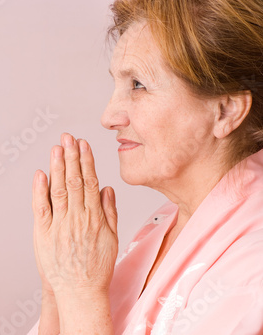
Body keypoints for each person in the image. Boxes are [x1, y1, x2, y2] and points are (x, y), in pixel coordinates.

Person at [27, 0, 263, 333]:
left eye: (138, 85)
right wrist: (58, 283)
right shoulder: (166, 223)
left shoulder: (251, 274)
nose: (108, 117)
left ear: (225, 111)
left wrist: (80, 292)